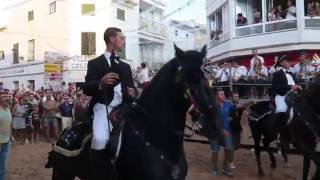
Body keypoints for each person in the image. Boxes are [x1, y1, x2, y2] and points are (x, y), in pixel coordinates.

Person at [83, 27, 136, 180]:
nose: (124, 41)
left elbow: (131, 89)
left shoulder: (126, 66)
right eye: (122, 37)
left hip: (124, 109)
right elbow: (86, 88)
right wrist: (100, 83)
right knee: (99, 140)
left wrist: (133, 93)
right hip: (103, 108)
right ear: (112, 39)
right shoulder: (95, 63)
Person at [271, 55, 302, 145]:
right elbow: (276, 87)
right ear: (281, 63)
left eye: (289, 61)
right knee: (281, 109)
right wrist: (291, 87)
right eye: (287, 61)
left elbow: (297, 83)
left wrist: (299, 86)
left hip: (294, 94)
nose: (289, 62)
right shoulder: (277, 74)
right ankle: (278, 135)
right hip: (281, 95)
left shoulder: (291, 73)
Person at [210, 89, 236, 177]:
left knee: (229, 149)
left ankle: (225, 168)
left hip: (227, 131)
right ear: (217, 97)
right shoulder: (213, 107)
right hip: (215, 132)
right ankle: (214, 168)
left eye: (224, 94)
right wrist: (221, 129)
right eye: (221, 95)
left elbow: (238, 106)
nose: (224, 96)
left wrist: (249, 103)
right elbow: (213, 121)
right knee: (215, 151)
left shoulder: (227, 104)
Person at [0, 94, 12, 180]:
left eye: (7, 97)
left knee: (3, 163)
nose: (7, 98)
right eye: (4, 97)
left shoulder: (8, 110)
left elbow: (9, 124)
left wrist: (11, 136)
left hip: (7, 140)